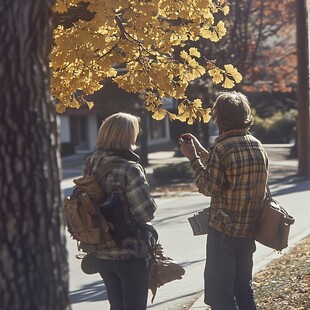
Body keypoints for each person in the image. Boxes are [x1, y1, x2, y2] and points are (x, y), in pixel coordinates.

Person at [179, 91, 269, 310]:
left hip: (224, 233)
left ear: (220, 116)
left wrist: (193, 160)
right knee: (243, 290)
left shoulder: (221, 148)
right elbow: (233, 174)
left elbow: (209, 187)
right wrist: (202, 152)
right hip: (249, 231)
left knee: (221, 296)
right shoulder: (257, 145)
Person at [82, 112, 157, 310]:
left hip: (102, 251)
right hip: (129, 252)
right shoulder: (130, 168)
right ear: (128, 137)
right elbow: (145, 213)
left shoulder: (91, 163)